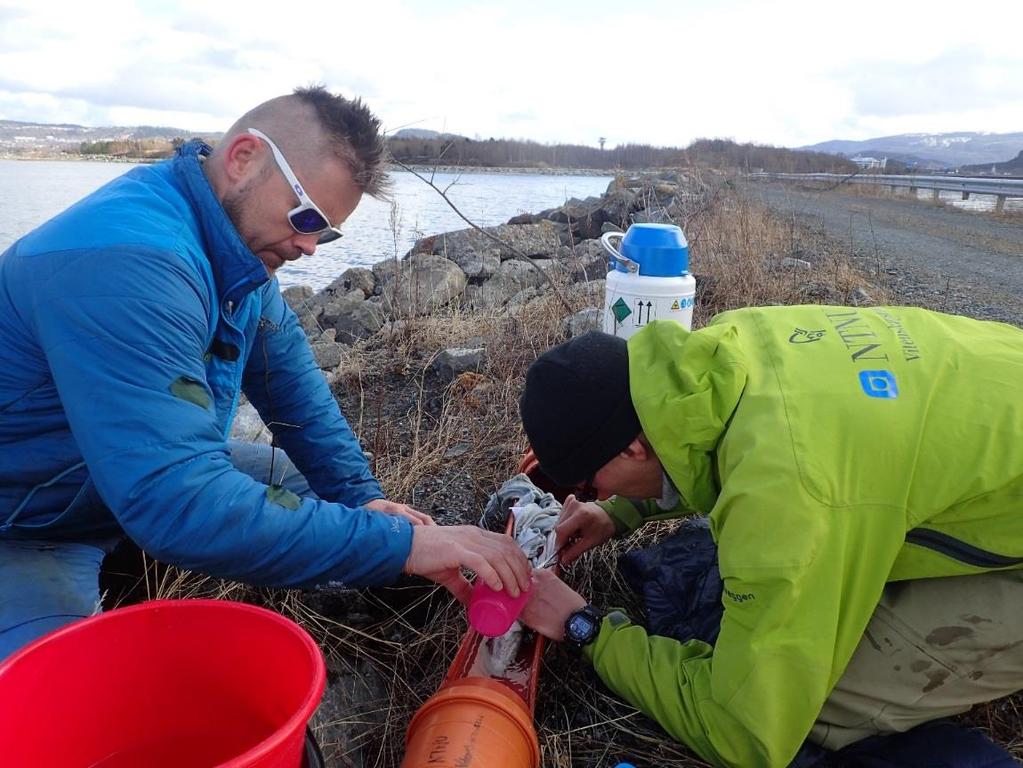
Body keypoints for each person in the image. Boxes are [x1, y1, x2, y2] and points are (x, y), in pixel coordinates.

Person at [0, 86, 530, 660]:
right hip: (27, 522)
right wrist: (402, 547)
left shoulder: (237, 258)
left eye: (325, 231)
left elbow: (299, 399)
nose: (308, 246)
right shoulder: (132, 261)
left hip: (112, 482)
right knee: (55, 698)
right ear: (243, 157)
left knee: (326, 501)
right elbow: (179, 503)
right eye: (305, 217)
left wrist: (364, 503)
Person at [518, 306, 1023, 767]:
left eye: (590, 483)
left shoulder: (785, 494)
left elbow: (745, 733)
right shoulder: (729, 344)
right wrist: (618, 510)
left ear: (631, 449)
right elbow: (696, 446)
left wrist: (585, 626)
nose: (593, 493)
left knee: (807, 697)